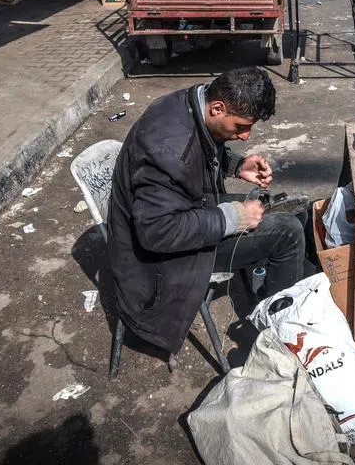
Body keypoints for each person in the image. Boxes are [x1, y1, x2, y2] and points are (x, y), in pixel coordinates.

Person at [108, 67, 308, 357]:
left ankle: (273, 292)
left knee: (286, 207)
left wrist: (236, 165)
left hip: (184, 210)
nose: (244, 136)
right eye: (240, 126)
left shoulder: (194, 102)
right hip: (157, 262)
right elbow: (157, 233)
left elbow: (200, 147)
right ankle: (281, 336)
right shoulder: (167, 148)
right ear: (217, 108)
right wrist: (235, 218)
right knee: (288, 233)